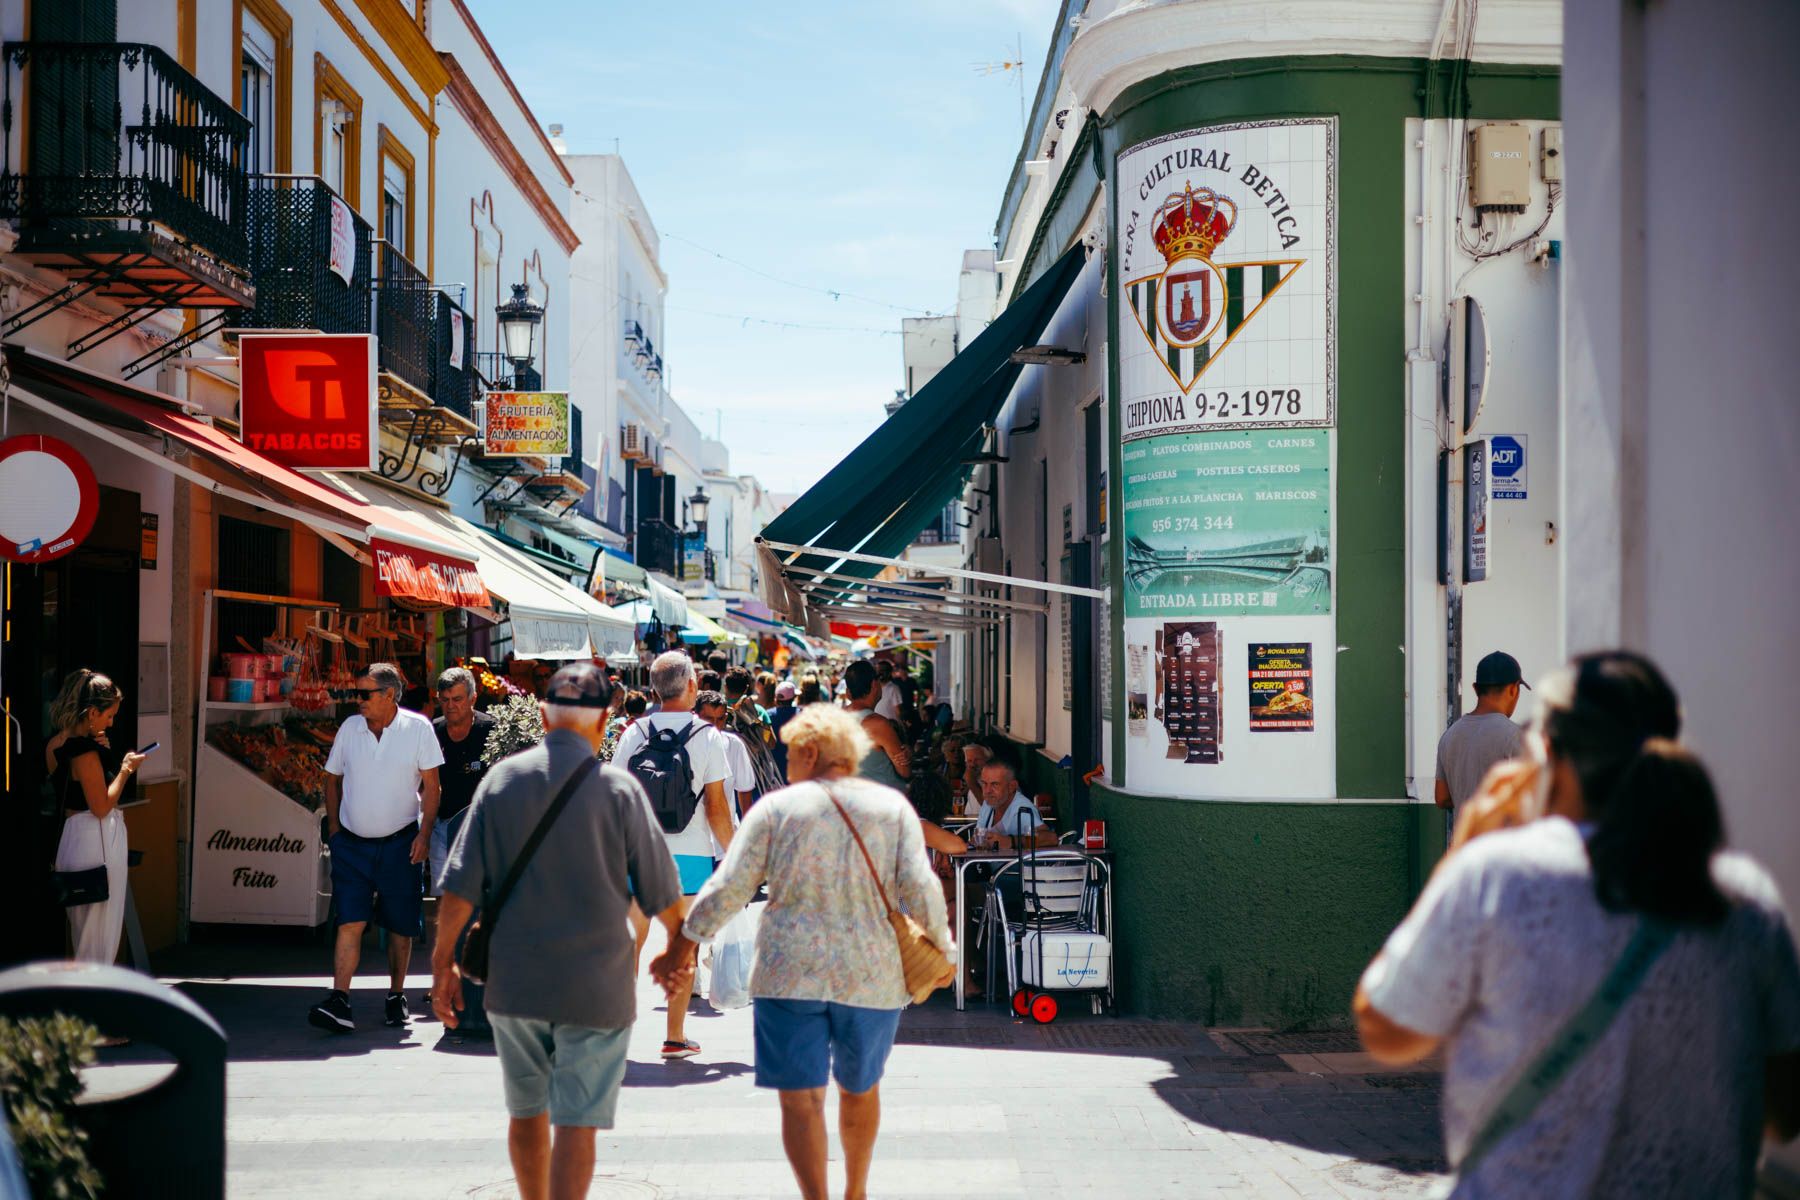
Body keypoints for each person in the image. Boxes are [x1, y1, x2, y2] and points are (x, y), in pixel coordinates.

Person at [1355, 651, 1800, 1196]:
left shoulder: (1494, 874)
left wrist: (1464, 849)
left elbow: (1387, 1026)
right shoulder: (1746, 901)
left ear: (1549, 755)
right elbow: (1785, 1112)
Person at [649, 705, 954, 1200]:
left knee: (800, 1099)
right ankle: (855, 1190)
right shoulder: (891, 809)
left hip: (788, 975)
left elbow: (729, 888)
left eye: (791, 752)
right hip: (870, 974)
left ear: (811, 753)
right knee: (860, 1087)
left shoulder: (774, 812)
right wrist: (943, 951)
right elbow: (922, 890)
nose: (785, 761)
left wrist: (683, 945)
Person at [434, 663, 687, 1200]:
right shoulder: (620, 789)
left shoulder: (501, 781)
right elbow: (664, 896)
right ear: (603, 724)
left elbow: (458, 889)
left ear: (544, 716)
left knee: (527, 1111)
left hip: (515, 979)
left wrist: (441, 967)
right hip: (596, 984)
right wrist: (678, 951)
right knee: (576, 1120)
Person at [612, 650, 735, 1060]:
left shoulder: (634, 733)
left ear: (652, 689)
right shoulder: (708, 736)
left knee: (631, 938)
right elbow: (717, 808)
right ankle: (675, 1036)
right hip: (691, 854)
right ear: (692, 686)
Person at [309, 663, 443, 1034]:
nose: (358, 700)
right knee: (350, 921)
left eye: (365, 694)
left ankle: (396, 995)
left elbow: (433, 786)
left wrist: (425, 833)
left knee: (400, 924)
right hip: (352, 845)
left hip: (402, 843)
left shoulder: (418, 728)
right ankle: (339, 999)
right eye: (357, 693)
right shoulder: (351, 728)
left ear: (388, 695)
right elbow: (331, 779)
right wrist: (335, 829)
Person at [45, 670, 145, 965]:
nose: (110, 723)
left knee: (83, 932)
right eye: (108, 716)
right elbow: (101, 805)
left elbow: (68, 786)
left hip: (72, 837)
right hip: (95, 838)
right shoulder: (85, 753)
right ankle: (93, 1003)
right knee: (98, 938)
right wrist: (125, 769)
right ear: (91, 713)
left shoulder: (54, 745)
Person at [427, 667, 496, 1030]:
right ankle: (444, 971)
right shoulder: (433, 731)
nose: (451, 707)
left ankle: (470, 969)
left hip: (480, 831)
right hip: (442, 827)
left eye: (457, 699)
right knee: (446, 898)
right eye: (445, 700)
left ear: (472, 698)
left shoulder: (490, 730)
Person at [1435, 651, 1529, 815]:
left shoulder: (1449, 736)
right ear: (1514, 690)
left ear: (1475, 688)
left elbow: (1442, 797)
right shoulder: (1517, 736)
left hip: (1463, 839)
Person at [845, 660, 909, 790]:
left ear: (848, 692)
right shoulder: (878, 724)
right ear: (875, 685)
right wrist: (908, 753)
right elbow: (905, 771)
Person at [972, 759, 1055, 851]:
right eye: (984, 784)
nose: (987, 791)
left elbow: (1051, 838)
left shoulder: (1022, 809)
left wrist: (1011, 841)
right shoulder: (988, 803)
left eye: (995, 784)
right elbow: (977, 838)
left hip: (1018, 865)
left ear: (1012, 786)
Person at [698, 690, 756, 820]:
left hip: (726, 833)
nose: (714, 725)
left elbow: (744, 790)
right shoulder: (685, 744)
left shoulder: (734, 745)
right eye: (708, 719)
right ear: (696, 716)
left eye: (720, 719)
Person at [769, 681, 800, 779]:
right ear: (794, 698)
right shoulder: (802, 715)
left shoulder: (768, 715)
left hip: (774, 772)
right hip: (796, 770)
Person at [960, 742, 993, 816]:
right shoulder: (976, 779)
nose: (972, 764)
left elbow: (992, 811)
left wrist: (971, 783)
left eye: (977, 760)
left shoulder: (997, 780)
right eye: (969, 761)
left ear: (988, 760)